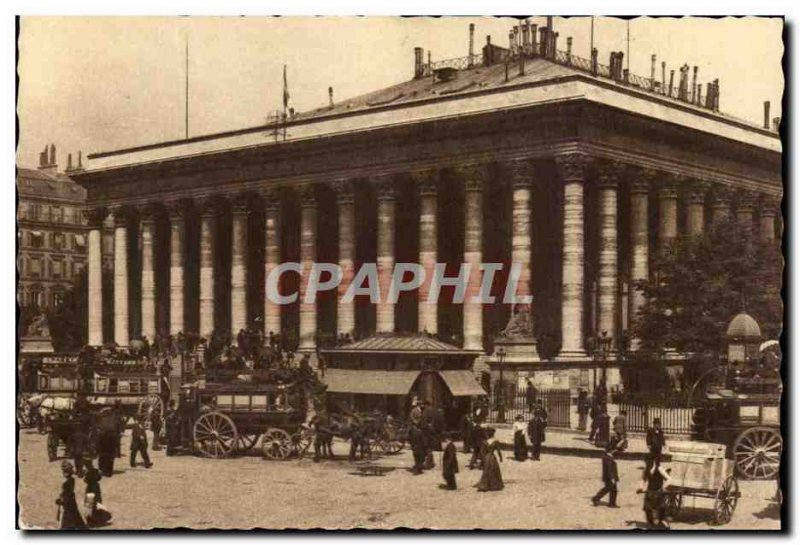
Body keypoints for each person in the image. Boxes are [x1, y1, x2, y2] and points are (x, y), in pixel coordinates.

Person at [637, 455, 671, 529]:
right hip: (650, 492)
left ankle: (663, 524)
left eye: (649, 462)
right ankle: (650, 524)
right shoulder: (646, 470)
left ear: (653, 462)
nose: (647, 463)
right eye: (646, 462)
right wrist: (640, 487)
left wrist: (664, 487)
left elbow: (669, 479)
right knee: (647, 509)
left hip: (658, 493)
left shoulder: (659, 469)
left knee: (660, 510)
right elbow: (643, 479)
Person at [56, 461, 86, 529]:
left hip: (67, 500)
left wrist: (60, 500)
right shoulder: (72, 479)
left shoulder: (65, 483)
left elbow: (65, 493)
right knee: (74, 512)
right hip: (72, 499)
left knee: (65, 515)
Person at [83, 460, 112, 528]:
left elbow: (85, 480)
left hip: (90, 490)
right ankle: (99, 519)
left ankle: (91, 521)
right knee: (97, 505)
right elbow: (99, 477)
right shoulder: (95, 470)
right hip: (96, 489)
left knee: (89, 506)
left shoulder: (88, 472)